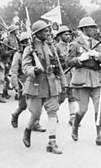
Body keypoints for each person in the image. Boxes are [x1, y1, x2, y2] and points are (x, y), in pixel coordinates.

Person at [21, 20, 67, 154]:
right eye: (45, 31)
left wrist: (63, 82)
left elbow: (57, 65)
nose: (48, 33)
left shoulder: (51, 46)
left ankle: (52, 143)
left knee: (53, 112)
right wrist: (33, 69)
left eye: (48, 30)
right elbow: (25, 66)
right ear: (37, 33)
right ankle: (28, 130)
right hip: (36, 84)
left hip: (51, 83)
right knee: (35, 114)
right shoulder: (29, 49)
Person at [66, 17, 101, 147]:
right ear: (84, 29)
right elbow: (68, 62)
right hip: (82, 80)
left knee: (99, 109)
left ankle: (100, 136)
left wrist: (97, 55)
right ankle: (75, 126)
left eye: (94, 27)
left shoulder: (97, 43)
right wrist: (80, 59)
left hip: (96, 79)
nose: (94, 30)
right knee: (83, 109)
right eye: (91, 27)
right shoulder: (75, 44)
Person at [10, 31, 46, 132]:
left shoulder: (37, 51)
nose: (28, 44)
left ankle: (36, 123)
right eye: (25, 42)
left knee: (37, 103)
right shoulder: (18, 54)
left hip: (35, 79)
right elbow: (14, 70)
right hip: (23, 80)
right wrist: (15, 85)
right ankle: (15, 114)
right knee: (23, 105)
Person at [55, 25, 79, 126]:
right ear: (60, 36)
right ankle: (54, 112)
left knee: (72, 96)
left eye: (69, 34)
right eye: (65, 34)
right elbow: (55, 62)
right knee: (61, 97)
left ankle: (72, 117)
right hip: (63, 75)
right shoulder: (56, 47)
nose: (68, 36)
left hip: (72, 74)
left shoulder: (73, 45)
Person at [2, 25, 20, 99]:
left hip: (15, 60)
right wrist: (12, 51)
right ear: (13, 31)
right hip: (9, 60)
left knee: (16, 76)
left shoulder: (17, 38)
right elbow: (3, 52)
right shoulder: (6, 39)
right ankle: (4, 91)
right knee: (7, 77)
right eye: (16, 29)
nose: (17, 30)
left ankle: (17, 91)